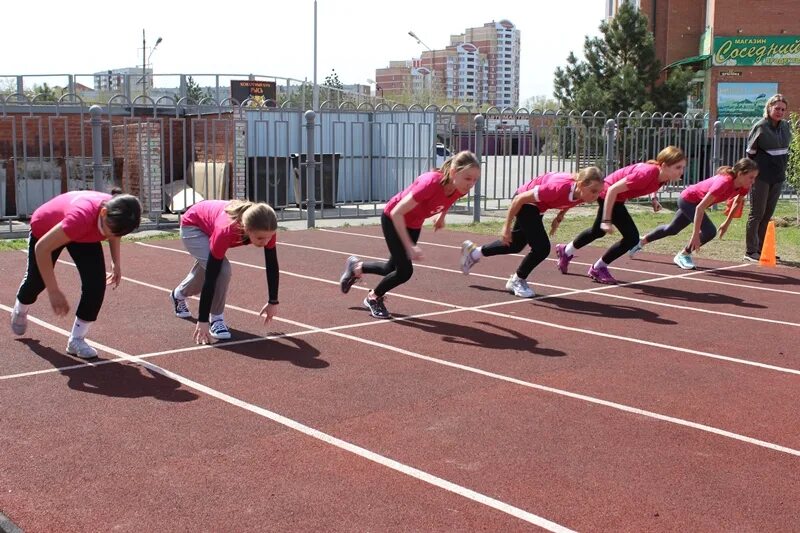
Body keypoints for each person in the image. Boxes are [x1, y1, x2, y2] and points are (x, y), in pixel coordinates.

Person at [339, 151, 481, 319]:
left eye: (475, 180)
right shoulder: (430, 183)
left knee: (390, 268)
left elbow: (449, 200)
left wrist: (441, 217)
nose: (471, 184)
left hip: (414, 223)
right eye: (468, 178)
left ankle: (356, 268)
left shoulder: (459, 187)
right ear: (453, 173)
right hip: (393, 218)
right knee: (404, 271)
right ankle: (374, 297)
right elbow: (397, 213)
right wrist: (409, 245)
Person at [10, 189, 142, 359]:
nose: (111, 235)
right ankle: (20, 308)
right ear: (103, 213)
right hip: (47, 228)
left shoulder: (118, 211)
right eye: (110, 230)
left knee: (95, 284)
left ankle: (76, 340)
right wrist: (53, 291)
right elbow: (41, 248)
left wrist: (116, 263)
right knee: (38, 282)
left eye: (117, 233)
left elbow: (115, 232)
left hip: (84, 233)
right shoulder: (82, 217)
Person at [459, 167, 604, 297]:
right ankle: (517, 280)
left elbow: (571, 201)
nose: (596, 196)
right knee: (542, 248)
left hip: (538, 206)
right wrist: (506, 226)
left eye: (598, 192)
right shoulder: (558, 188)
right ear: (580, 184)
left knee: (514, 245)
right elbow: (519, 199)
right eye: (593, 191)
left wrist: (559, 217)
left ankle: (473, 252)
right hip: (525, 201)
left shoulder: (583, 194)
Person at [555, 146, 687, 284]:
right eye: (678, 167)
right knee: (631, 237)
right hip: (609, 194)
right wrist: (606, 220)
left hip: (616, 198)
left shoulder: (663, 176)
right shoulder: (646, 173)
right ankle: (598, 268)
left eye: (683, 167)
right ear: (664, 165)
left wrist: (654, 199)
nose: (681, 171)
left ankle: (566, 250)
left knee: (597, 232)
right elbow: (612, 189)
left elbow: (653, 183)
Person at [171, 200, 279, 344]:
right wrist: (203, 320)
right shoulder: (226, 229)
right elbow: (210, 278)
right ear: (246, 228)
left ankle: (178, 294)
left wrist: (273, 301)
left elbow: (272, 264)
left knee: (212, 265)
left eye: (269, 237)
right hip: (193, 226)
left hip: (209, 224)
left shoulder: (266, 227)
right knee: (221, 269)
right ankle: (216, 319)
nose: (266, 242)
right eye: (260, 238)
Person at [629, 158, 758, 269]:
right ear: (740, 173)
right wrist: (695, 235)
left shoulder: (744, 186)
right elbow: (700, 208)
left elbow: (737, 202)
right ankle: (684, 254)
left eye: (755, 178)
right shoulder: (724, 183)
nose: (753, 181)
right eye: (751, 177)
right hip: (688, 200)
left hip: (696, 205)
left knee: (672, 229)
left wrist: (726, 223)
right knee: (709, 231)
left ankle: (640, 242)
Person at [744, 94, 791, 262]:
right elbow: (750, 153)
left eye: (783, 109)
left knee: (767, 215)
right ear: (769, 108)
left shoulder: (785, 126)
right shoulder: (761, 126)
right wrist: (751, 176)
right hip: (761, 177)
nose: (780, 112)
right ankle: (750, 251)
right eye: (777, 108)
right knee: (757, 213)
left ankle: (763, 249)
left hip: (777, 177)